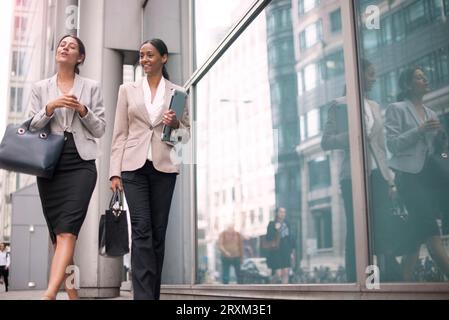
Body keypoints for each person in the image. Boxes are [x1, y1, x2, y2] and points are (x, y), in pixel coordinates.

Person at [109, 38, 190, 300]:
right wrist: (114, 172)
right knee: (141, 229)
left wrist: (176, 123)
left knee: (158, 234)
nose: (144, 59)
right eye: (142, 55)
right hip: (133, 167)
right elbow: (119, 133)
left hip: (164, 167)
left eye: (150, 55)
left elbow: (186, 138)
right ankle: (142, 296)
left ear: (163, 58)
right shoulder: (127, 90)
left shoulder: (178, 93)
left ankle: (151, 295)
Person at [28, 34, 106, 299]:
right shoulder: (40, 88)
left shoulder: (92, 87)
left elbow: (100, 129)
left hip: (81, 164)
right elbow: (29, 126)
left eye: (71, 46)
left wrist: (83, 110)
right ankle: (73, 296)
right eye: (62, 44)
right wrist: (49, 108)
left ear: (79, 57)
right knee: (59, 238)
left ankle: (49, 294)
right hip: (49, 166)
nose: (65, 47)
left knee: (67, 231)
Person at [321, 59, 402, 282]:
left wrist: (390, 178)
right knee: (356, 231)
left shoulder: (375, 107)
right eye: (371, 74)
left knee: (383, 227)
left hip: (378, 174)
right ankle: (356, 282)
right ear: (359, 75)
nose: (374, 78)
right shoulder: (339, 104)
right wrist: (352, 136)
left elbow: (381, 146)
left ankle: (386, 280)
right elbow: (326, 141)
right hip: (352, 176)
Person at [385, 66, 449, 281]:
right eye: (419, 77)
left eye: (424, 76)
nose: (425, 79)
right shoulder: (397, 109)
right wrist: (420, 130)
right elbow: (392, 145)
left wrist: (439, 139)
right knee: (431, 230)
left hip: (430, 177)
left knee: (418, 233)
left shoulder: (431, 112)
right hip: (409, 177)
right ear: (408, 84)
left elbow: (434, 151)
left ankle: (400, 282)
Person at [265, 207, 295, 284]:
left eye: (284, 212)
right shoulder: (271, 224)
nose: (282, 214)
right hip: (276, 250)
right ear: (277, 213)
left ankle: (285, 293)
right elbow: (268, 237)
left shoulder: (287, 224)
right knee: (278, 274)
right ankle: (270, 286)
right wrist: (275, 229)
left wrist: (291, 252)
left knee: (286, 272)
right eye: (281, 212)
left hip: (286, 249)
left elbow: (290, 238)